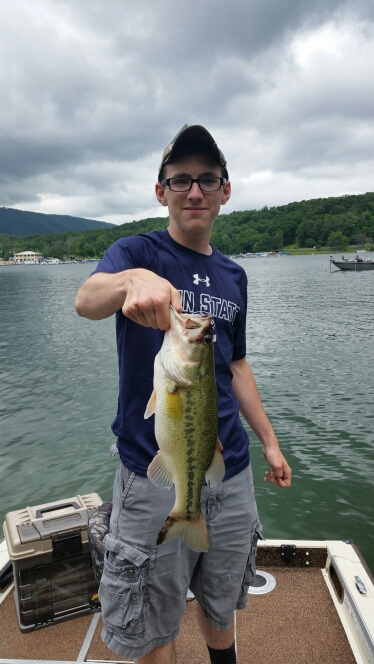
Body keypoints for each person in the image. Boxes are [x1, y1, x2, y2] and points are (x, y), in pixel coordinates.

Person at [75, 124, 292, 664]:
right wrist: (129, 283)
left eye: (207, 180)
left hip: (230, 467)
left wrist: (268, 441)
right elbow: (86, 300)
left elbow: (235, 363)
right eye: (181, 181)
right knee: (153, 617)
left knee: (222, 604)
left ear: (225, 191)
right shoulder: (133, 251)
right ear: (161, 192)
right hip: (153, 475)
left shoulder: (234, 276)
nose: (194, 191)